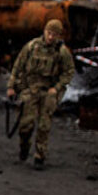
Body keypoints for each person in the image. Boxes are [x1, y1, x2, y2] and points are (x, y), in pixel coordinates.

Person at [7, 19, 75, 169]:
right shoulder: (32, 47)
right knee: (26, 125)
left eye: (55, 35)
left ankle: (40, 156)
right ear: (44, 31)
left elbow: (69, 72)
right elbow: (18, 66)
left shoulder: (62, 52)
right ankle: (24, 147)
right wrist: (11, 86)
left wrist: (57, 88)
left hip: (48, 91)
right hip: (30, 90)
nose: (51, 37)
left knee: (44, 126)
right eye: (49, 33)